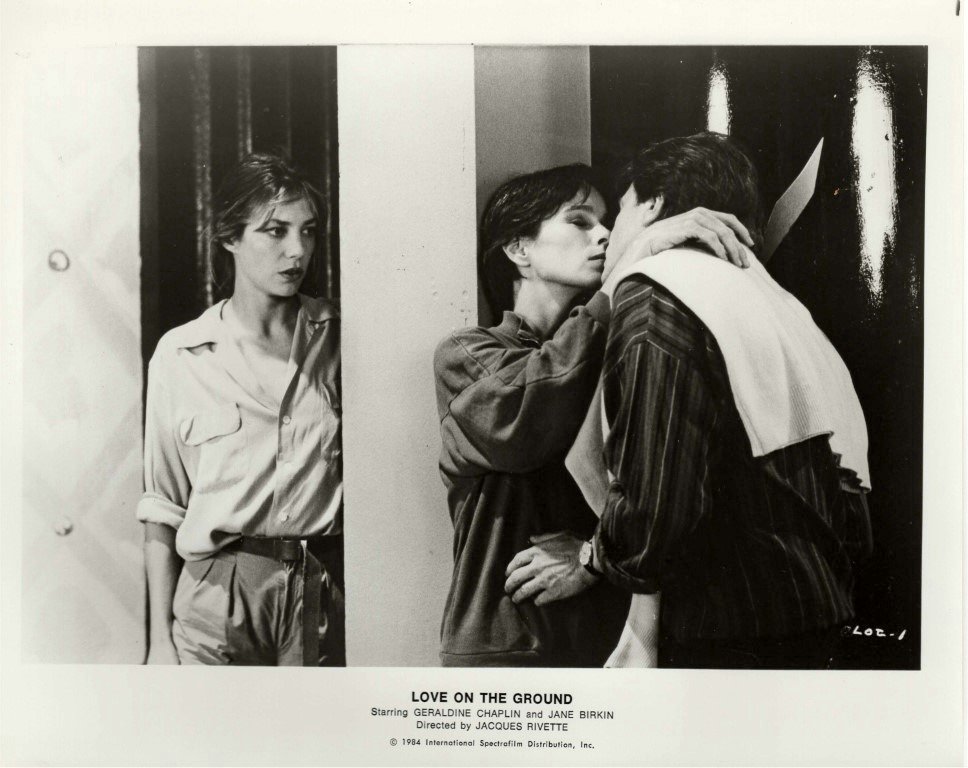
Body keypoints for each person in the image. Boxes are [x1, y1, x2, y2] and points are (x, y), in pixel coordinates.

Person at [504, 133, 873, 669]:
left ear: (651, 205)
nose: (608, 234)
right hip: (812, 607)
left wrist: (592, 559)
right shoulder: (782, 305)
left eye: (618, 212)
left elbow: (657, 495)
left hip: (728, 625)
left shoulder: (660, 289)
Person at [433, 162, 754, 666]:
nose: (603, 234)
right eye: (579, 221)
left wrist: (591, 552)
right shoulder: (467, 354)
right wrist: (626, 269)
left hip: (607, 634)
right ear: (518, 250)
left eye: (606, 221)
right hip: (508, 645)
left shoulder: (621, 346)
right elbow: (528, 418)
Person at [138, 153, 344, 666]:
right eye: (275, 231)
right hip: (215, 597)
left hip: (318, 590)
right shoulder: (181, 355)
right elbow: (162, 506)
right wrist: (159, 642)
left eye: (308, 231)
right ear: (230, 236)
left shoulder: (341, 340)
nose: (297, 250)